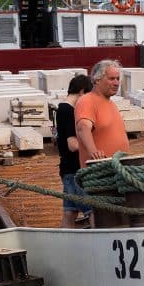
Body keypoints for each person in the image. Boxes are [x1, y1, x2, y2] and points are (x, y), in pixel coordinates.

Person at [56, 74, 94, 228]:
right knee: (92, 210)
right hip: (75, 169)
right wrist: (93, 146)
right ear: (82, 92)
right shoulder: (70, 112)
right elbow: (73, 144)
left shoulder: (61, 108)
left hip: (67, 168)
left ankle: (65, 245)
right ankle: (97, 244)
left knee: (70, 211)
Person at [75, 59, 130, 166]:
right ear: (97, 80)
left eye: (118, 79)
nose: (116, 83)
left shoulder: (111, 104)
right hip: (100, 172)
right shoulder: (87, 101)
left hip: (117, 170)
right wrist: (93, 152)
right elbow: (83, 127)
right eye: (111, 79)